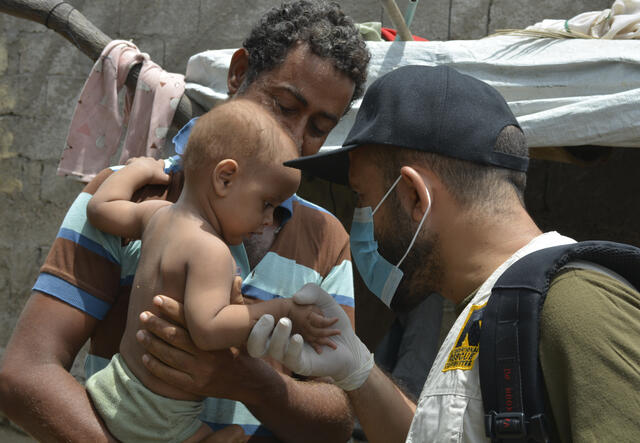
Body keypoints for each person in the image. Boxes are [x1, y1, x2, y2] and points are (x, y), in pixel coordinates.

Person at [0, 1, 370, 442]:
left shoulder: (327, 238)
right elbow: (26, 373)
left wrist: (248, 380)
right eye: (285, 105)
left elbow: (336, 421)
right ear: (239, 74)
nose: (294, 136)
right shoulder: (139, 197)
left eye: (321, 126)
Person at [247, 65, 640, 442]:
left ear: (415, 196)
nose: (360, 224)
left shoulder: (572, 306)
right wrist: (358, 370)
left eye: (362, 199)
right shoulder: (488, 309)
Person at [85, 100, 341, 443]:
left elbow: (101, 208)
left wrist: (141, 170)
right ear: (225, 178)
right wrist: (284, 309)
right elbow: (208, 329)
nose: (268, 220)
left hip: (113, 389)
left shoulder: (157, 216)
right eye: (266, 204)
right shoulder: (213, 251)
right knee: (232, 436)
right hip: (162, 421)